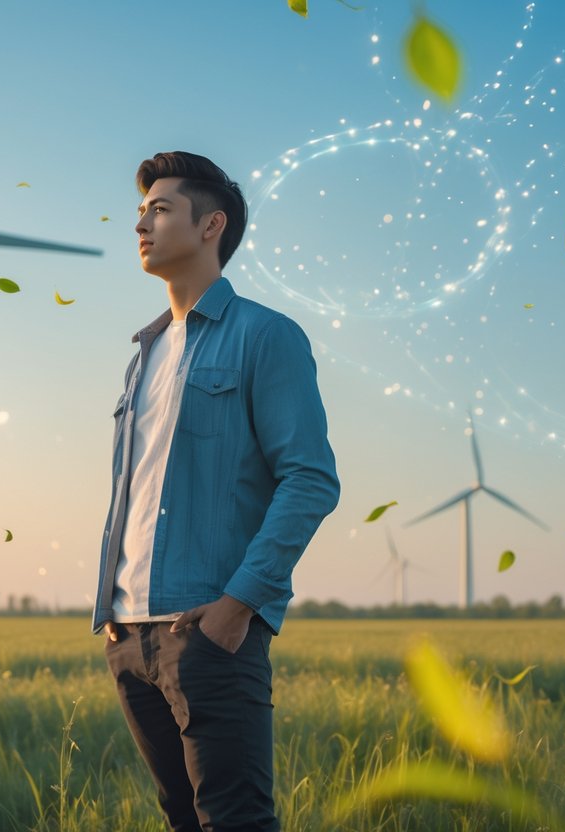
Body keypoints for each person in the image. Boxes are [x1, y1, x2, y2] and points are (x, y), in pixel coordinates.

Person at [92, 151, 340, 831]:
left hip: (206, 630)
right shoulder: (141, 355)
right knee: (182, 820)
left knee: (233, 821)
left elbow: (310, 478)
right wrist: (114, 612)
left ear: (211, 226)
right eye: (139, 212)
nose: (141, 224)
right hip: (129, 634)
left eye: (160, 209)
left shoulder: (266, 336)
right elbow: (134, 492)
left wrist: (237, 606)